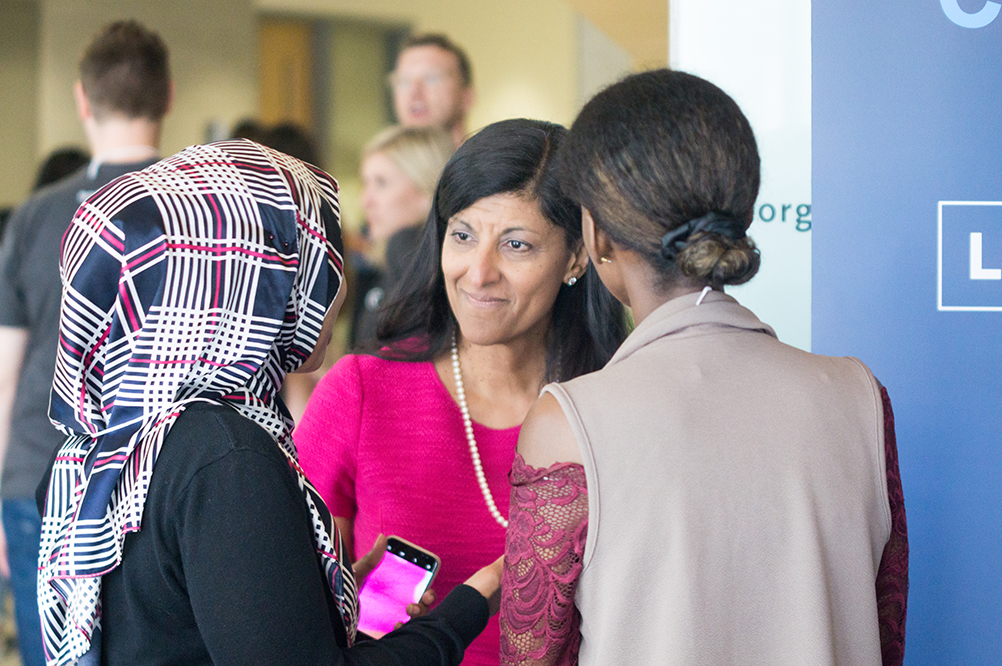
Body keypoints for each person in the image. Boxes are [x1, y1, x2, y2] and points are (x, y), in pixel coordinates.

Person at [36, 139, 502, 666]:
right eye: (310, 263)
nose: (335, 289)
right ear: (243, 287)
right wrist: (471, 604)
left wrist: (328, 597)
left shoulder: (111, 438)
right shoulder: (225, 456)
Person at [499, 69, 909, 666]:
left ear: (598, 235)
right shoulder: (860, 398)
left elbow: (530, 656)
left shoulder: (568, 423)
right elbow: (886, 634)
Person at [295, 118, 627, 666]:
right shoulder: (362, 391)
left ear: (575, 257)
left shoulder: (613, 407)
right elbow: (296, 617)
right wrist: (356, 611)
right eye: (463, 235)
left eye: (515, 245)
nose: (478, 273)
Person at [0, 21, 171, 666]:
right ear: (169, 94)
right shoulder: (202, 206)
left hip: (40, 472)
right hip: (154, 477)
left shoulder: (36, 216)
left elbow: (6, 375)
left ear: (82, 100)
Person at [352, 125, 456, 347]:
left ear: (427, 192)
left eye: (381, 183)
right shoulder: (394, 258)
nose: (366, 201)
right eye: (366, 183)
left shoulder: (406, 250)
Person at [390, 34, 474, 146]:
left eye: (431, 78)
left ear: (466, 96)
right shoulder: (376, 161)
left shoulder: (493, 162)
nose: (414, 92)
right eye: (404, 82)